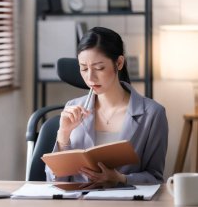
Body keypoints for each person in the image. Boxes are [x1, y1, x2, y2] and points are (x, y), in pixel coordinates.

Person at [45, 27, 168, 187]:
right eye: (83, 68)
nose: (90, 77)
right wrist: (64, 135)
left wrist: (122, 179)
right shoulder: (73, 107)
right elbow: (53, 181)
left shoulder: (152, 114)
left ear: (119, 63)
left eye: (99, 68)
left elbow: (155, 178)